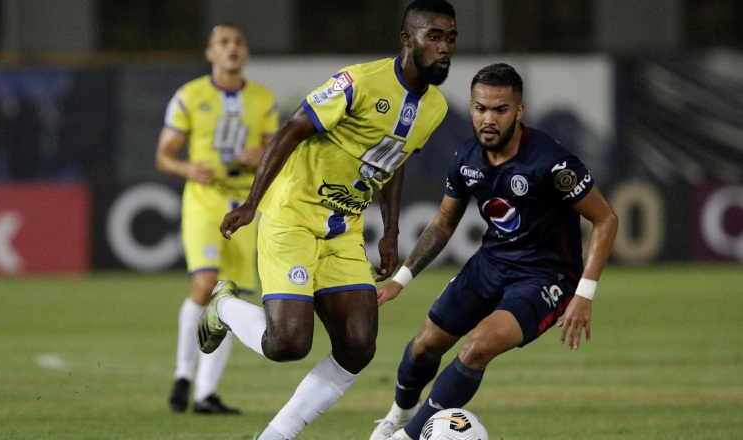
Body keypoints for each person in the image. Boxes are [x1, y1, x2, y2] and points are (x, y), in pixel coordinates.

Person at [195, 1, 458, 438]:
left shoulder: (436, 109)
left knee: (358, 346)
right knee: (287, 344)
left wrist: (390, 230)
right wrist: (252, 203)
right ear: (407, 38)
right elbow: (292, 128)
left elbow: (396, 160)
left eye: (450, 38)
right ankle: (222, 306)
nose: (445, 47)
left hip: (344, 229)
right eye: (434, 36)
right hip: (292, 217)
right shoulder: (359, 82)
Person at [369, 63, 619, 440]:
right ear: (471, 107)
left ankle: (407, 438)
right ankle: (398, 418)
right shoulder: (467, 158)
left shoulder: (552, 162)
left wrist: (584, 294)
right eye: (480, 108)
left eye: (500, 110)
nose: (488, 119)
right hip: (490, 264)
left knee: (476, 348)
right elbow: (442, 223)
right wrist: (400, 281)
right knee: (423, 347)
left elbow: (606, 219)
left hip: (544, 277)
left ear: (518, 111)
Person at [156, 23, 279, 414]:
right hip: (205, 202)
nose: (232, 49)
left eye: (239, 42)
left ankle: (206, 394)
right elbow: (164, 154)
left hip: (244, 205)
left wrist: (260, 153)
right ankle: (182, 375)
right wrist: (188, 168)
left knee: (232, 298)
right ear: (210, 53)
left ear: (245, 52)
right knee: (205, 283)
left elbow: (275, 150)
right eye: (223, 43)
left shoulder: (263, 100)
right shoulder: (190, 96)